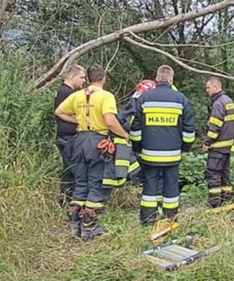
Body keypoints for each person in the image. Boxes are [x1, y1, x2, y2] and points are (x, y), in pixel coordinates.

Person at [55, 65, 130, 240]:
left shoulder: (77, 95)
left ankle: (75, 227)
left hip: (79, 140)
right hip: (97, 141)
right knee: (96, 182)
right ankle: (89, 228)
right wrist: (125, 135)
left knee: (80, 182)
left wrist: (79, 121)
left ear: (88, 79)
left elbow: (59, 112)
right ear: (104, 78)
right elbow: (110, 121)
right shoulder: (106, 96)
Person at [130, 66, 196, 226]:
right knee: (171, 187)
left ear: (156, 78)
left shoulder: (144, 99)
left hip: (149, 154)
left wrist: (137, 148)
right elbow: (189, 129)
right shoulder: (181, 99)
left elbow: (135, 128)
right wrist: (185, 149)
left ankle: (147, 220)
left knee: (150, 187)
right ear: (171, 79)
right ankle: (170, 219)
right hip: (173, 154)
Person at [53, 65, 86, 207]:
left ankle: (65, 201)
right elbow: (60, 112)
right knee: (74, 171)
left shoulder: (64, 91)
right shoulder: (67, 93)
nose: (84, 81)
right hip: (67, 138)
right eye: (82, 77)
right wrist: (81, 121)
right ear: (72, 77)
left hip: (65, 137)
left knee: (68, 170)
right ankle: (71, 202)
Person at [201, 77, 234, 208]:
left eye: (208, 87)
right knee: (225, 175)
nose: (207, 90)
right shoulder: (228, 101)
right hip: (227, 146)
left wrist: (207, 142)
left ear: (216, 87)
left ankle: (214, 203)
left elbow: (215, 127)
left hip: (217, 146)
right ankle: (226, 200)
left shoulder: (218, 104)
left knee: (213, 174)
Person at [118, 79, 157, 190]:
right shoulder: (140, 105)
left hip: (128, 145)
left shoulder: (132, 104)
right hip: (132, 146)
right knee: (138, 175)